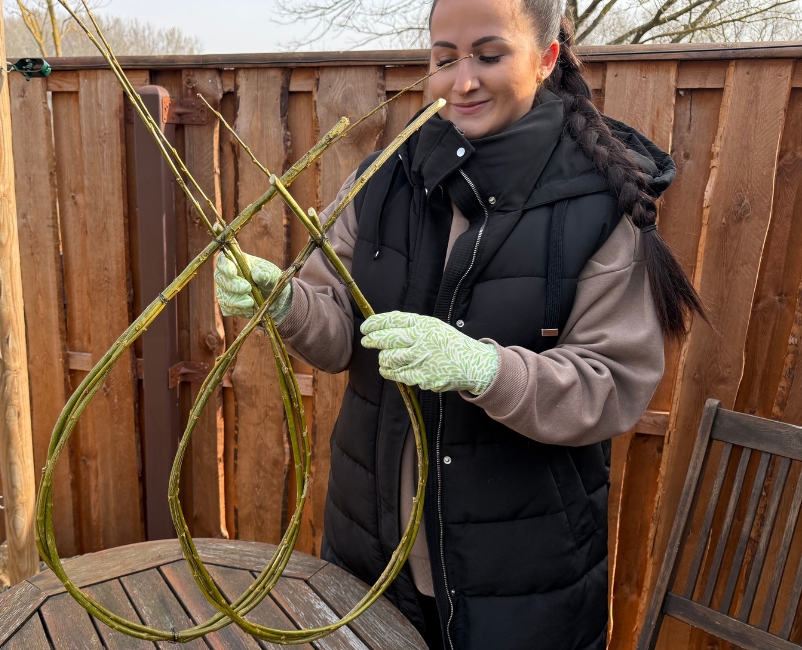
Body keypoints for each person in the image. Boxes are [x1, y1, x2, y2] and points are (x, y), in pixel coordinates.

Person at [214, 0, 703, 647]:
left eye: (489, 54)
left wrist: (486, 368)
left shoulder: (596, 206)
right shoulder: (386, 179)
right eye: (445, 59)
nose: (462, 79)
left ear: (546, 58)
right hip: (371, 559)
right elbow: (337, 330)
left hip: (521, 583)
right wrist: (283, 300)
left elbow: (612, 382)